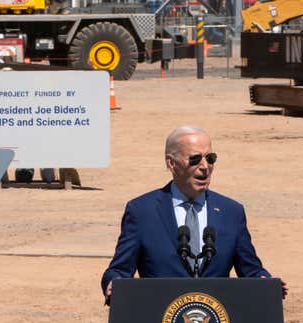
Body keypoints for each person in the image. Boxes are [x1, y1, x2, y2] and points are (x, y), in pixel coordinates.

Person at [101, 126, 287, 302]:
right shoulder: (142, 211)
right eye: (195, 159)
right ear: (172, 163)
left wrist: (265, 282)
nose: (205, 166)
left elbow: (251, 269)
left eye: (211, 158)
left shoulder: (231, 212)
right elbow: (119, 269)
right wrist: (113, 283)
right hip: (158, 319)